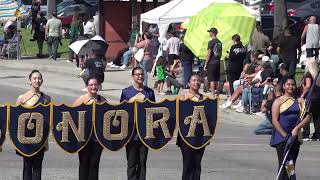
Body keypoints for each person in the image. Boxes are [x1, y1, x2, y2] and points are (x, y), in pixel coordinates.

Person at [270, 77, 311, 180]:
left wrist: (297, 128)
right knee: (284, 166)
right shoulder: (278, 101)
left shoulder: (300, 101)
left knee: (291, 166)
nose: (290, 87)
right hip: (282, 138)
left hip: (295, 137)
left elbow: (308, 117)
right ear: (284, 86)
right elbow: (275, 121)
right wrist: (285, 136)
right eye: (288, 84)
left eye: (293, 84)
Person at [120, 67, 155, 180]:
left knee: (142, 162)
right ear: (133, 76)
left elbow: (154, 111)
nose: (140, 76)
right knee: (131, 163)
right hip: (131, 134)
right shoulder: (126, 92)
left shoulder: (150, 92)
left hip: (145, 133)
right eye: (137, 74)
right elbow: (122, 112)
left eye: (142, 74)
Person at [16, 70, 51, 180]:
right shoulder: (22, 98)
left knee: (38, 166)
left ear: (42, 81)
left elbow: (49, 117)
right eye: (34, 78)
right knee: (27, 166)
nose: (37, 80)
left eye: (39, 78)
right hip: (26, 137)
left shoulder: (46, 98)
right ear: (30, 81)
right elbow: (15, 117)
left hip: (40, 136)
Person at [73, 76, 106, 180]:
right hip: (83, 138)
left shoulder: (102, 99)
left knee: (95, 165)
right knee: (83, 164)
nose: (93, 87)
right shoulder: (81, 99)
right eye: (91, 85)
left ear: (99, 86)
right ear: (87, 87)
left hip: (97, 139)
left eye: (95, 84)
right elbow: (71, 116)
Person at [177, 74, 206, 180]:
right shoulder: (183, 97)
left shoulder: (204, 99)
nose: (196, 82)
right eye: (194, 80)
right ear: (189, 83)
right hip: (186, 137)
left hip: (200, 137)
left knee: (197, 165)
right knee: (188, 164)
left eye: (198, 80)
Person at [204, 27, 222, 97]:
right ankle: (217, 94)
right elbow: (220, 53)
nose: (209, 33)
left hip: (212, 62)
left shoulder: (211, 42)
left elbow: (209, 54)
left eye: (209, 32)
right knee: (217, 79)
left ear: (212, 33)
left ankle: (212, 94)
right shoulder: (219, 42)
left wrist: (205, 64)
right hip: (218, 61)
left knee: (211, 79)